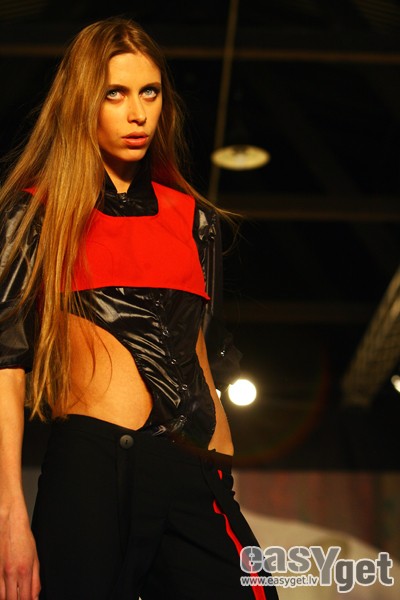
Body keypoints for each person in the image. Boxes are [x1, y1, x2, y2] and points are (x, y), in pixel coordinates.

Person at [0, 17, 278, 600]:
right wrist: (9, 517)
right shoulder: (39, 214)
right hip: (96, 474)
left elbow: (211, 351)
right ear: (82, 102)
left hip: (196, 474)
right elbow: (6, 365)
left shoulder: (194, 220)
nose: (137, 113)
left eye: (149, 93)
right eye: (115, 94)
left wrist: (219, 469)